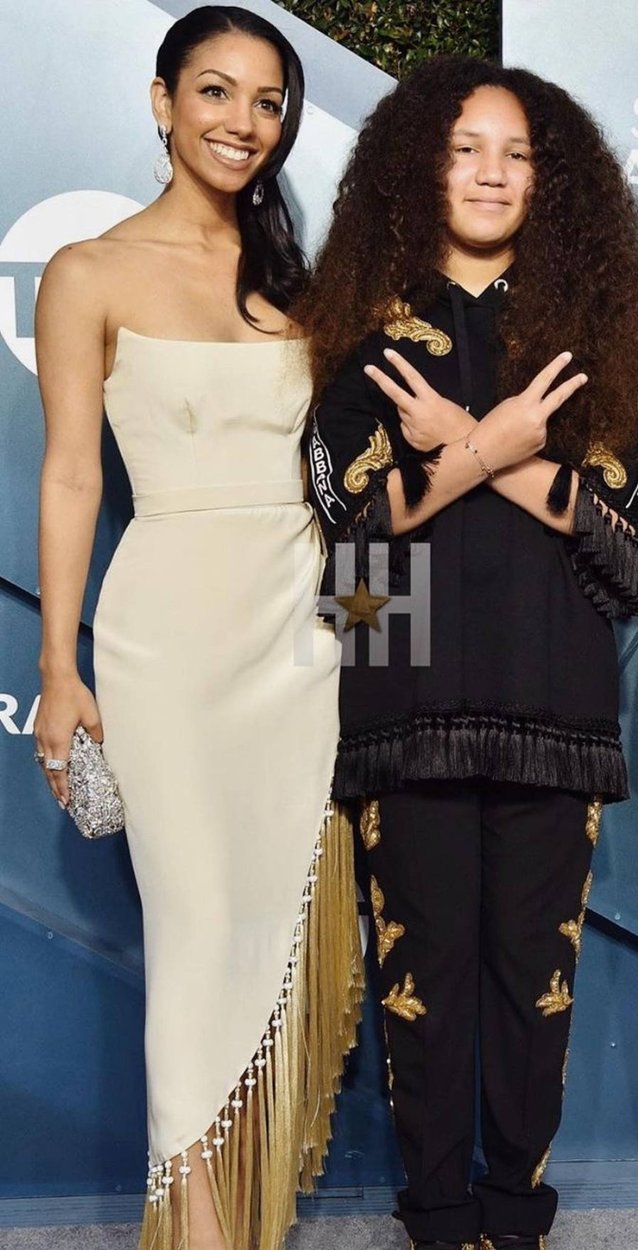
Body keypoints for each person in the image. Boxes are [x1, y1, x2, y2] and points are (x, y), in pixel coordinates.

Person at [299, 56, 638, 1250]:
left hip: (554, 694)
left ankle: (516, 1211)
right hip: (402, 689)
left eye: (514, 151)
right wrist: (490, 449)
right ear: (419, 165)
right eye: (465, 147)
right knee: (425, 980)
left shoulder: (596, 330)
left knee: (532, 985)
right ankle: (436, 1212)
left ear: (548, 179)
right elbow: (348, 528)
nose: (492, 171)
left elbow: (621, 538)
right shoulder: (359, 322)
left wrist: (470, 445)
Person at [32, 8, 363, 1248]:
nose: (241, 122)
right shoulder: (90, 271)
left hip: (307, 637)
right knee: (193, 933)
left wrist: (383, 646)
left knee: (275, 929)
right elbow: (72, 478)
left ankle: (247, 1212)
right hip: (167, 639)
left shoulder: (305, 284)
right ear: (162, 100)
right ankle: (200, 1231)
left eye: (268, 101)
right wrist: (56, 666)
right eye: (215, 92)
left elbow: (355, 496)